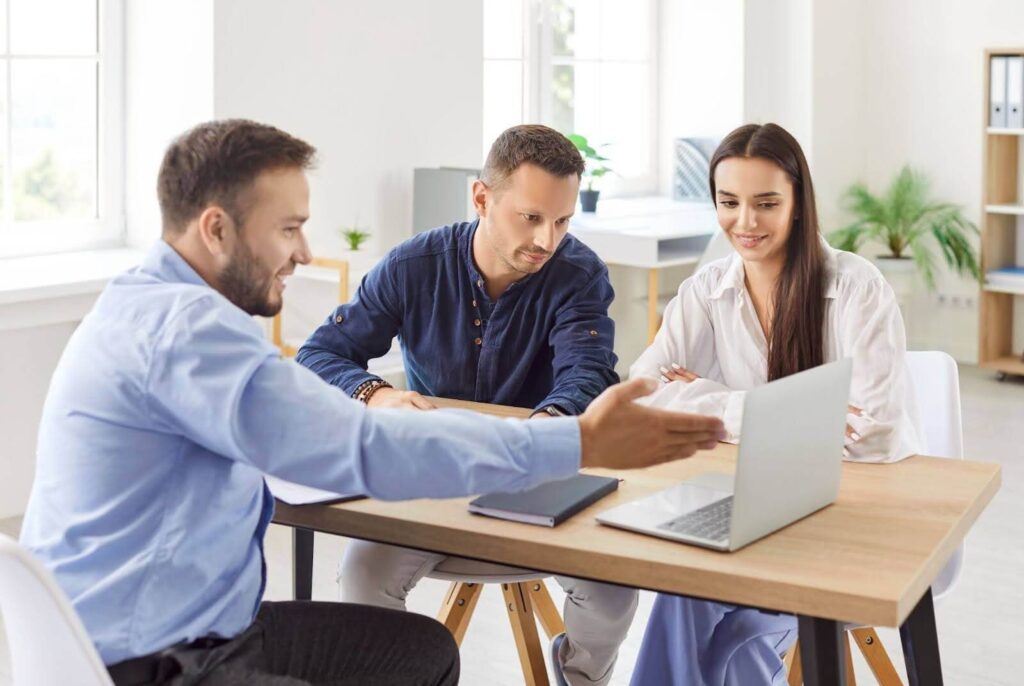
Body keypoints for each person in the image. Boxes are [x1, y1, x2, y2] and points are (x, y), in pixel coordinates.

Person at [18, 119, 725, 686]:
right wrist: (580, 443)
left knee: (420, 652)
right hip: (161, 660)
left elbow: (579, 370)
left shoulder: (148, 304)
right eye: (289, 229)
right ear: (216, 229)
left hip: (145, 630)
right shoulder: (190, 335)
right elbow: (364, 443)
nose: (304, 253)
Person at [297, 124, 633, 686]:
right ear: (482, 198)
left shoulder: (580, 275)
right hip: (431, 484)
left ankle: (581, 677)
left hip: (541, 480)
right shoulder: (412, 266)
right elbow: (320, 354)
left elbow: (587, 372)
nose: (547, 240)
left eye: (562, 220)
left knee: (616, 587)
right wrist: (376, 395)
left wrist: (546, 430)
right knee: (360, 575)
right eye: (531, 217)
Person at [627, 122, 921, 685]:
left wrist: (711, 402)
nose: (746, 222)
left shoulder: (857, 289)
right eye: (729, 202)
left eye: (766, 203)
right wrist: (788, 414)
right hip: (751, 502)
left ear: (798, 202)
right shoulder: (707, 289)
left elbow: (874, 431)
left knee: (736, 641)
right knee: (680, 593)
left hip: (850, 514)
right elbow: (645, 393)